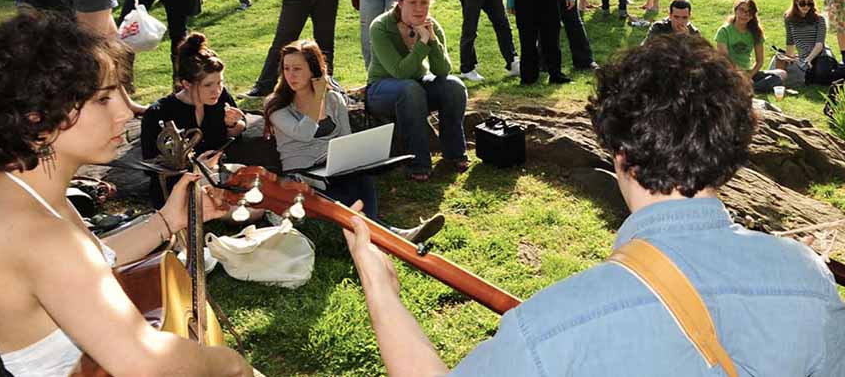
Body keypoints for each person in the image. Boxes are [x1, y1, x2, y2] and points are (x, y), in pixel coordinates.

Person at [343, 33, 845, 377]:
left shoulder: (550, 327)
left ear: (620, 155)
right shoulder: (808, 279)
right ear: (732, 151)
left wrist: (381, 286)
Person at [0, 14, 253, 377]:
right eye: (103, 99)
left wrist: (165, 222)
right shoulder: (38, 233)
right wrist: (233, 365)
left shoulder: (1, 187)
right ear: (36, 116)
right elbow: (144, 362)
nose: (125, 111)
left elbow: (87, 265)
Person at [265, 39, 445, 242]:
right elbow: (305, 132)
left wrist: (353, 158)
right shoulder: (276, 105)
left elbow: (345, 139)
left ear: (314, 70)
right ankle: (394, 235)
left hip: (333, 167)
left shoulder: (334, 100)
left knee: (361, 175)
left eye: (297, 68)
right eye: (286, 68)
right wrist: (318, 98)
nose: (291, 75)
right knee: (343, 196)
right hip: (302, 174)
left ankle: (386, 232)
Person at [366, 0, 469, 182]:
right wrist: (422, 43)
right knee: (410, 88)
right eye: (413, 2)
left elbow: (442, 70)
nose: (419, 8)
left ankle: (454, 153)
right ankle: (418, 163)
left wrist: (432, 39)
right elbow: (399, 72)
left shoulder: (431, 26)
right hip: (380, 90)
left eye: (424, 3)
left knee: (454, 86)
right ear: (400, 2)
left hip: (415, 88)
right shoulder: (380, 26)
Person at [141, 33, 247, 209]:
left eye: (220, 82)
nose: (217, 90)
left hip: (215, 177)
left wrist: (232, 125)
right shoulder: (158, 113)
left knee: (256, 197)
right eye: (208, 85)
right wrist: (195, 165)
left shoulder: (220, 98)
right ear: (186, 84)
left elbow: (235, 132)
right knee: (242, 208)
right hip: (178, 187)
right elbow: (151, 166)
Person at [715, 0, 787, 94]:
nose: (744, 14)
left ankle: (746, 88)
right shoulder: (724, 31)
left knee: (782, 74)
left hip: (748, 73)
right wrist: (740, 76)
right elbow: (724, 61)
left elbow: (760, 61)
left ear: (752, 15)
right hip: (729, 73)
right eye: (741, 10)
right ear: (735, 10)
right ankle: (745, 87)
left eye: (749, 12)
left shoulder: (755, 32)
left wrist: (749, 76)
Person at [770, 0, 832, 87]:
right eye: (802, 3)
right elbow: (790, 42)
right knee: (778, 60)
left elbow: (819, 44)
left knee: (820, 73)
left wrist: (808, 59)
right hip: (802, 59)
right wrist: (789, 58)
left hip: (819, 57)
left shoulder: (819, 19)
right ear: (796, 2)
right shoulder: (788, 18)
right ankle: (771, 81)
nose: (806, 6)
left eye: (810, 3)